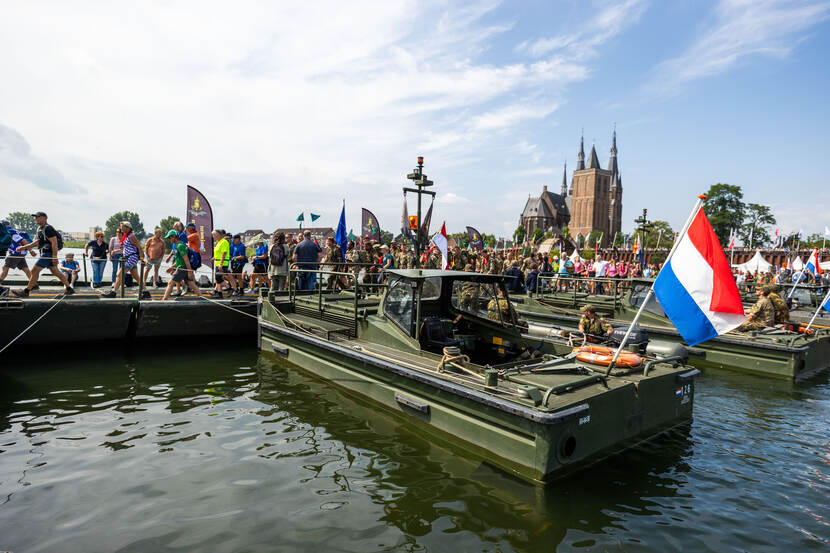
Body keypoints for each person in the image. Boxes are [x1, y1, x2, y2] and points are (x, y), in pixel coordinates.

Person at [12, 212, 75, 297]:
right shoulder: (40, 229)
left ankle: (26, 291)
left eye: (38, 217)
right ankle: (69, 289)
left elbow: (54, 243)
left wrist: (54, 257)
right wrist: (23, 247)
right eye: (35, 217)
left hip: (48, 254)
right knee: (56, 272)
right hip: (46, 253)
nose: (36, 219)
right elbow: (37, 242)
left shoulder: (48, 228)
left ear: (45, 218)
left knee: (34, 270)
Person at [101, 221, 144, 298]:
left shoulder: (131, 236)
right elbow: (126, 249)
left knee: (119, 274)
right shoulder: (126, 236)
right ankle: (146, 292)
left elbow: (139, 247)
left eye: (122, 227)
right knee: (136, 277)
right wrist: (116, 251)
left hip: (131, 258)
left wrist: (141, 258)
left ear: (128, 228)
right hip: (129, 257)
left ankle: (113, 293)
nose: (121, 229)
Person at [161, 231, 201, 300]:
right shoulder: (177, 246)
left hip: (182, 268)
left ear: (174, 237)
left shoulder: (180, 246)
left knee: (170, 283)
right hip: (182, 267)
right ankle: (201, 297)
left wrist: (189, 271)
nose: (169, 240)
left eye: (169, 238)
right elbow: (178, 261)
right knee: (190, 283)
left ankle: (164, 299)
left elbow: (186, 260)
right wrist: (171, 267)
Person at [211, 229, 235, 297]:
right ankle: (219, 293)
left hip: (222, 263)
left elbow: (223, 253)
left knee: (219, 278)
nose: (213, 237)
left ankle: (229, 288)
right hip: (217, 262)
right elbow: (218, 252)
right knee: (218, 278)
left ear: (218, 235)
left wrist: (221, 264)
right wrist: (214, 258)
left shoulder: (224, 242)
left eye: (214, 235)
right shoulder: (218, 242)